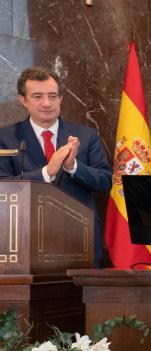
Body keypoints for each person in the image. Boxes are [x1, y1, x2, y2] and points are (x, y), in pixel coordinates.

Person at [0, 67, 112, 266]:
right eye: (37, 96)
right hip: (24, 245)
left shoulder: (86, 136)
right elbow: (3, 186)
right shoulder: (6, 138)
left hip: (79, 243)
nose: (47, 103)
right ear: (23, 101)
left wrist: (73, 166)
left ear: (61, 98)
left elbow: (105, 181)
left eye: (52, 96)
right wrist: (45, 172)